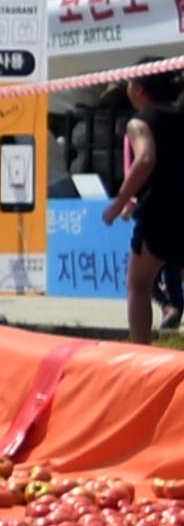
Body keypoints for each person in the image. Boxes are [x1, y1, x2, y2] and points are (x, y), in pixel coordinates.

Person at [107, 72, 184, 343]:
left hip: (160, 211)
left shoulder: (140, 123)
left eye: (129, 83)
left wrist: (118, 204)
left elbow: (145, 160)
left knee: (138, 285)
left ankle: (141, 353)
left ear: (139, 89)